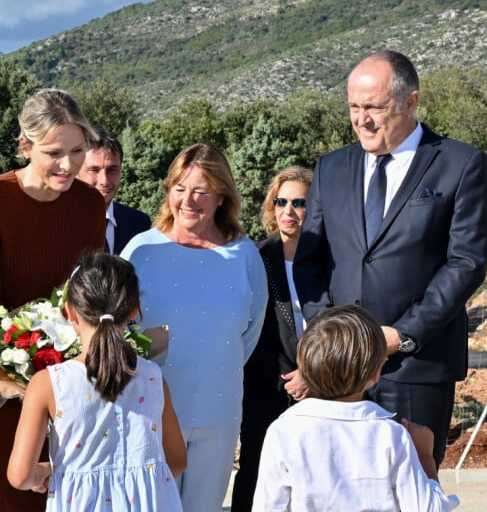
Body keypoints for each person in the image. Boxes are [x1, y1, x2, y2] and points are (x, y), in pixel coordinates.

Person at [293, 50, 487, 467]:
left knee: (412, 486)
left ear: (411, 101)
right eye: (353, 106)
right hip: (340, 367)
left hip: (415, 367)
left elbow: (466, 264)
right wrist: (331, 333)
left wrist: (400, 335)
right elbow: (310, 260)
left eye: (374, 107)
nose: (361, 119)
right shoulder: (331, 168)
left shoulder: (460, 164)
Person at [121, 142, 268, 512]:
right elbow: (122, 330)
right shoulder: (141, 250)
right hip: (152, 411)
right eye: (180, 189)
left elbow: (249, 333)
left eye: (201, 191)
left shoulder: (245, 253)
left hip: (219, 411)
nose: (189, 200)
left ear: (221, 196)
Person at [7, 252, 186, 511]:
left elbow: (20, 475)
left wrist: (44, 473)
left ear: (69, 311)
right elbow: (177, 460)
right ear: (135, 310)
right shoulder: (152, 377)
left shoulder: (48, 384)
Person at [0, 88, 106, 512]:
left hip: (71, 387)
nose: (68, 165)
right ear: (25, 145)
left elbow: (90, 293)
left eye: (78, 150)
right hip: (6, 390)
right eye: (53, 152)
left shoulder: (88, 205)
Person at [252, 305, 459, 511]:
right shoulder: (391, 435)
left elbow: (267, 506)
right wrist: (425, 457)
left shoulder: (283, 431)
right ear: (376, 373)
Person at [231, 165, 313, 512]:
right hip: (266, 384)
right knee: (256, 468)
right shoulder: (258, 257)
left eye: (299, 203)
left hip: (323, 384)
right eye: (281, 202)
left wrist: (313, 373)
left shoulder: (332, 258)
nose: (288, 211)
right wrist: (284, 377)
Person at [77, 130, 151, 254]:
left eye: (112, 169)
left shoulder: (139, 224)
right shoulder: (56, 224)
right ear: (75, 172)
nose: (104, 181)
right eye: (93, 170)